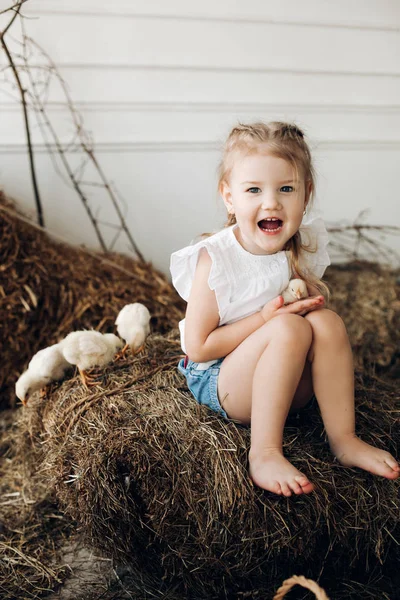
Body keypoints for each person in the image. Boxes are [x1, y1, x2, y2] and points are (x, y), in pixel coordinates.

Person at [170, 121, 399, 497]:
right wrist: (265, 320)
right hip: (221, 380)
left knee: (326, 322)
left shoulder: (301, 244)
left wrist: (305, 301)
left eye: (286, 189)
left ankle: (344, 439)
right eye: (254, 190)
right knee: (287, 329)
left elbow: (307, 322)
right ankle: (264, 453)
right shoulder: (216, 260)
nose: (272, 201)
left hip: (283, 379)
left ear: (306, 196)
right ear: (229, 197)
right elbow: (198, 349)